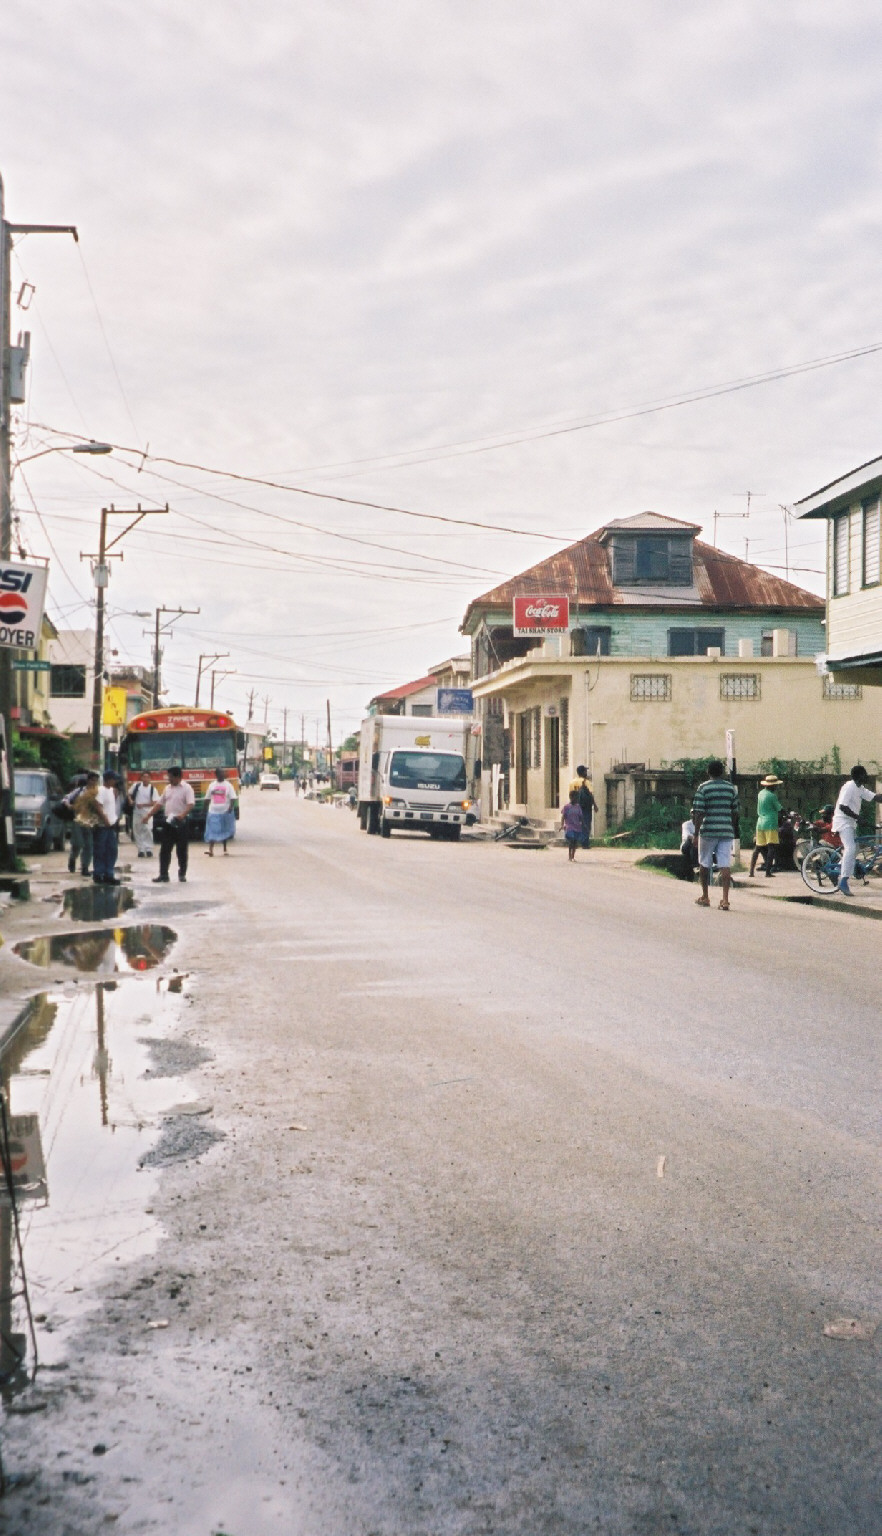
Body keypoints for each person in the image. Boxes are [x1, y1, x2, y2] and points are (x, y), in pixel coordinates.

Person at [692, 760, 739, 911]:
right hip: (726, 831)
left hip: (708, 830)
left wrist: (696, 833)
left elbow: (699, 812)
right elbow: (735, 811)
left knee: (704, 863)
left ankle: (705, 896)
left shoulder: (703, 788)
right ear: (722, 772)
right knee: (724, 863)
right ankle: (725, 900)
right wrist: (730, 826)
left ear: (708, 772)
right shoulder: (731, 788)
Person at [831, 765, 882, 896]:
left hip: (851, 822)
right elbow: (843, 806)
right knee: (851, 848)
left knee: (856, 850)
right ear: (859, 776)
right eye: (865, 774)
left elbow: (876, 797)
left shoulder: (860, 788)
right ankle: (843, 881)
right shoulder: (849, 786)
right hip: (843, 822)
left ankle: (837, 870)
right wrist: (858, 818)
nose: (867, 776)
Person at [146, 765, 195, 883]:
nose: (169, 779)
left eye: (171, 777)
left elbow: (191, 804)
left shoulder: (187, 788)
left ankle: (182, 874)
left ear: (178, 777)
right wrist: (148, 815)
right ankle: (163, 875)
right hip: (168, 821)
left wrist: (182, 815)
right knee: (165, 850)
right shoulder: (167, 788)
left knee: (181, 850)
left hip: (181, 821)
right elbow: (159, 803)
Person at [750, 774, 783, 878]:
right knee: (771, 847)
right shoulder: (772, 796)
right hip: (770, 823)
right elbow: (779, 808)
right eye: (775, 785)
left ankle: (751, 871)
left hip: (760, 822)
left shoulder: (761, 793)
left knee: (758, 847)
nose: (776, 787)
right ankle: (768, 872)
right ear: (772, 786)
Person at [92, 770, 121, 885]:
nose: (115, 781)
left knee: (112, 850)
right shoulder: (101, 790)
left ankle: (109, 873)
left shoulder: (111, 791)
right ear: (108, 779)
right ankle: (98, 873)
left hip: (111, 825)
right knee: (100, 850)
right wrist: (105, 819)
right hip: (103, 825)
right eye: (114, 779)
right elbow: (98, 806)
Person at [203, 768, 237, 856]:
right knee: (212, 830)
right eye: (221, 773)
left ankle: (225, 849)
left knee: (224, 830)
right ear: (217, 775)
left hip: (225, 812)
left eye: (223, 773)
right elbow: (207, 798)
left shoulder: (228, 785)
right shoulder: (212, 785)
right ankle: (211, 850)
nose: (223, 774)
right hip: (213, 811)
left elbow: (233, 797)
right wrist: (204, 809)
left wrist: (230, 807)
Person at [128, 772, 159, 858]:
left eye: (147, 777)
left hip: (148, 812)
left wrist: (143, 805)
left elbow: (155, 802)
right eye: (144, 777)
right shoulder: (136, 786)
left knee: (148, 829)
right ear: (141, 778)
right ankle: (140, 849)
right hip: (137, 812)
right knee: (137, 830)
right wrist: (130, 801)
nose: (145, 779)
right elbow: (129, 794)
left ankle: (148, 849)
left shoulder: (153, 789)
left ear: (150, 779)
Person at [568, 765, 598, 848]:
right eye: (585, 771)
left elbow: (570, 794)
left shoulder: (572, 782)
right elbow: (590, 794)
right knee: (586, 823)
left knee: (576, 824)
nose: (586, 772)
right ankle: (585, 843)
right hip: (585, 807)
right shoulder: (586, 782)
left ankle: (575, 841)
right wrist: (594, 805)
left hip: (575, 805)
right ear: (583, 772)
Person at [560, 789, 584, 862]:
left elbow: (581, 817)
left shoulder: (578, 807)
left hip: (577, 827)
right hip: (569, 826)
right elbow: (563, 816)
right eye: (575, 797)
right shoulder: (566, 807)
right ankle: (570, 856)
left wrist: (583, 824)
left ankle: (573, 855)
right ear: (571, 797)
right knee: (571, 841)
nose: (576, 799)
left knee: (575, 842)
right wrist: (562, 825)